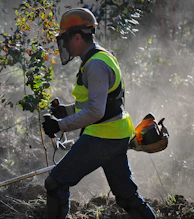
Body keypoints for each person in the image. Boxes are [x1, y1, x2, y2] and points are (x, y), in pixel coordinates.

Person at [42, 7, 157, 219]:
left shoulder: (95, 65)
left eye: (65, 39)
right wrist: (64, 111)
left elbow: (96, 111)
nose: (64, 45)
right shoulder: (102, 57)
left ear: (77, 36)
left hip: (102, 137)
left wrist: (60, 125)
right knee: (127, 197)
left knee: (55, 182)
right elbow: (100, 102)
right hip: (114, 134)